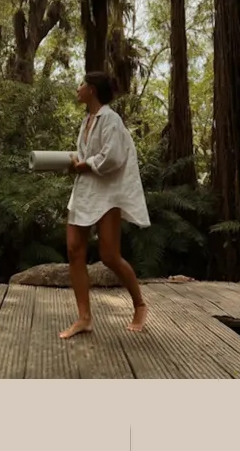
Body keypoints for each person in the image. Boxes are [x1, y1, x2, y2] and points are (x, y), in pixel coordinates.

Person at [59, 71, 151, 338]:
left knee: (109, 256)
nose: (77, 88)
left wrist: (85, 164)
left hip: (107, 193)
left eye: (81, 84)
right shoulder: (87, 120)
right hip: (85, 190)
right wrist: (72, 163)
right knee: (74, 250)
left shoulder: (111, 119)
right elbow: (87, 156)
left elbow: (112, 157)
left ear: (93, 90)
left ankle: (140, 305)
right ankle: (84, 318)